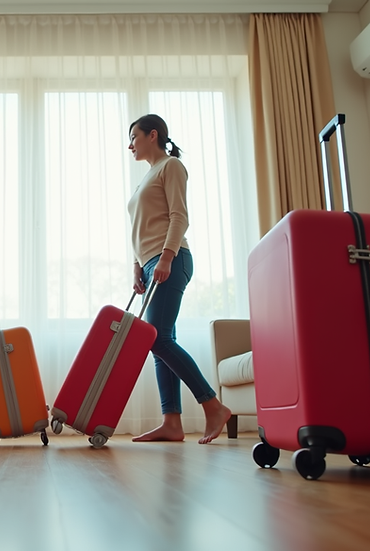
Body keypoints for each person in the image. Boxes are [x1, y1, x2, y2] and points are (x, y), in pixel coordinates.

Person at [125, 114, 232, 444]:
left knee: (156, 338)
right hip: (150, 263)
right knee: (159, 342)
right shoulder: (147, 176)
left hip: (169, 258)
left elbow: (179, 216)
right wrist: (136, 266)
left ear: (152, 135)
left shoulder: (170, 166)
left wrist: (167, 257)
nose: (130, 145)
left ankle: (213, 406)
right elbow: (143, 226)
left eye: (135, 137)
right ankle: (171, 422)